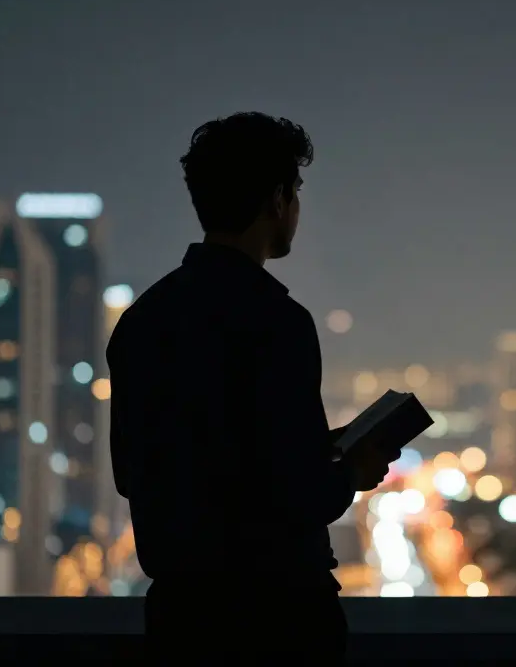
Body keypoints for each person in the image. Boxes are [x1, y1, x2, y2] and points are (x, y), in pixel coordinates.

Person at [108, 112, 399, 663]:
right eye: (296, 192)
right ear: (277, 198)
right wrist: (350, 473)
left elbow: (132, 472)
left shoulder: (143, 320)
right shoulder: (276, 322)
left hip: (181, 617)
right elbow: (292, 493)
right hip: (278, 617)